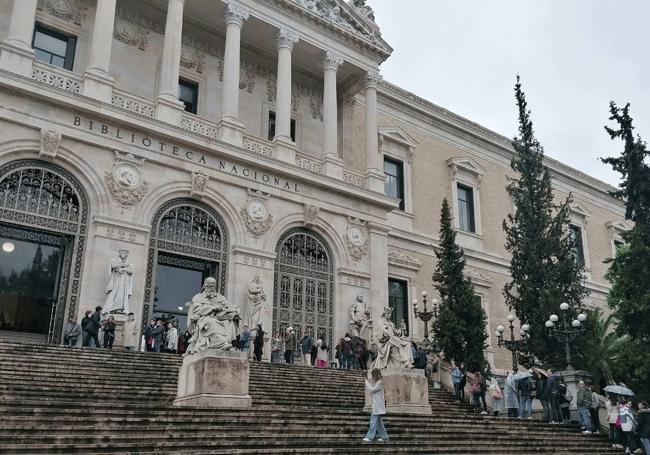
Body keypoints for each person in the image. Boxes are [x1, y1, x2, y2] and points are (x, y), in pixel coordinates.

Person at [363, 368, 389, 443]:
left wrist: (366, 382)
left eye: (373, 375)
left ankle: (370, 437)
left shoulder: (380, 382)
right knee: (379, 423)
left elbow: (372, 390)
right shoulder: (379, 382)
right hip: (377, 405)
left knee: (373, 422)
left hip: (378, 405)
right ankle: (384, 437)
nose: (373, 377)